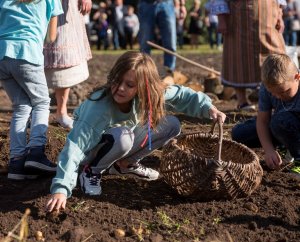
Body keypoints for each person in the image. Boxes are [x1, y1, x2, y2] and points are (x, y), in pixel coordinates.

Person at [45, 51, 226, 212]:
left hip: (121, 143)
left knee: (171, 124)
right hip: (90, 152)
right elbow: (75, 147)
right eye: (118, 81)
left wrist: (208, 108)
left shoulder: (149, 94)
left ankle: (124, 165)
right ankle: (91, 172)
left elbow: (181, 95)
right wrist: (61, 189)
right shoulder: (98, 107)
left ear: (143, 87)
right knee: (124, 136)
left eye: (129, 85)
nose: (121, 88)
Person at [0, 0, 63, 180]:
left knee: (21, 106)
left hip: (2, 54)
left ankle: (17, 163)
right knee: (42, 102)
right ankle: (36, 151)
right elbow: (51, 36)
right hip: (26, 51)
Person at [209, 0, 286, 111]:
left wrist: (279, 14)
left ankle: (276, 100)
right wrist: (221, 18)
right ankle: (242, 101)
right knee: (238, 56)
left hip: (268, 15)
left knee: (276, 56)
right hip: (239, 18)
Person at [232, 54, 300, 176]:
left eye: (283, 91)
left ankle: (298, 159)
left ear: (297, 77)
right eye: (273, 93)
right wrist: (269, 150)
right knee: (239, 133)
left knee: (281, 120)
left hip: (289, 125)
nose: (278, 96)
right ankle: (285, 146)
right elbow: (263, 121)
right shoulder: (266, 87)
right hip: (281, 127)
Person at [44, 0, 92, 129]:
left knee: (64, 57)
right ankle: (36, 112)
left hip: (66, 8)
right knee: (33, 59)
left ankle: (61, 111)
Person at [138, 0, 183, 74]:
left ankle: (169, 71)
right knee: (144, 43)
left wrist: (182, 4)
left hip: (167, 4)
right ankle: (144, 71)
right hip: (146, 4)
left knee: (170, 42)